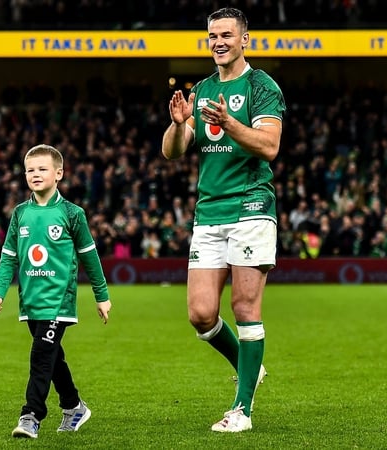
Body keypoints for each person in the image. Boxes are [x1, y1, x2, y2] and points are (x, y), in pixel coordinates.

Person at [160, 7, 285, 433]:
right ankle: (251, 366)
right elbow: (173, 150)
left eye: (227, 35)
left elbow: (269, 147)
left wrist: (230, 123)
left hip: (251, 205)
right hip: (209, 211)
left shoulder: (262, 87)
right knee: (200, 313)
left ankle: (242, 410)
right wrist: (179, 124)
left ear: (245, 39)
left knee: (244, 306)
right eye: (212, 35)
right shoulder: (205, 88)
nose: (218, 42)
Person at [0, 144, 112, 439]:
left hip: (59, 302)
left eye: (42, 169)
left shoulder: (72, 213)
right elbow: (8, 257)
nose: (35, 174)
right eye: (30, 170)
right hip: (30, 302)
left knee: (41, 356)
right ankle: (73, 405)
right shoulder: (20, 214)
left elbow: (89, 256)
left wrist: (102, 295)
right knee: (53, 357)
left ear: (59, 173)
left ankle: (31, 415)